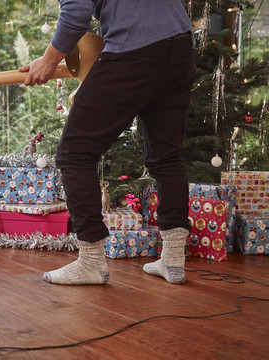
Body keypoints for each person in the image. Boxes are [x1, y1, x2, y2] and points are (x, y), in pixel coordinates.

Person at [19, 0, 196, 285]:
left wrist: (49, 59)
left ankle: (90, 261)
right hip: (180, 46)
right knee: (167, 156)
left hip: (135, 50)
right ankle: (174, 261)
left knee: (74, 152)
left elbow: (76, 12)